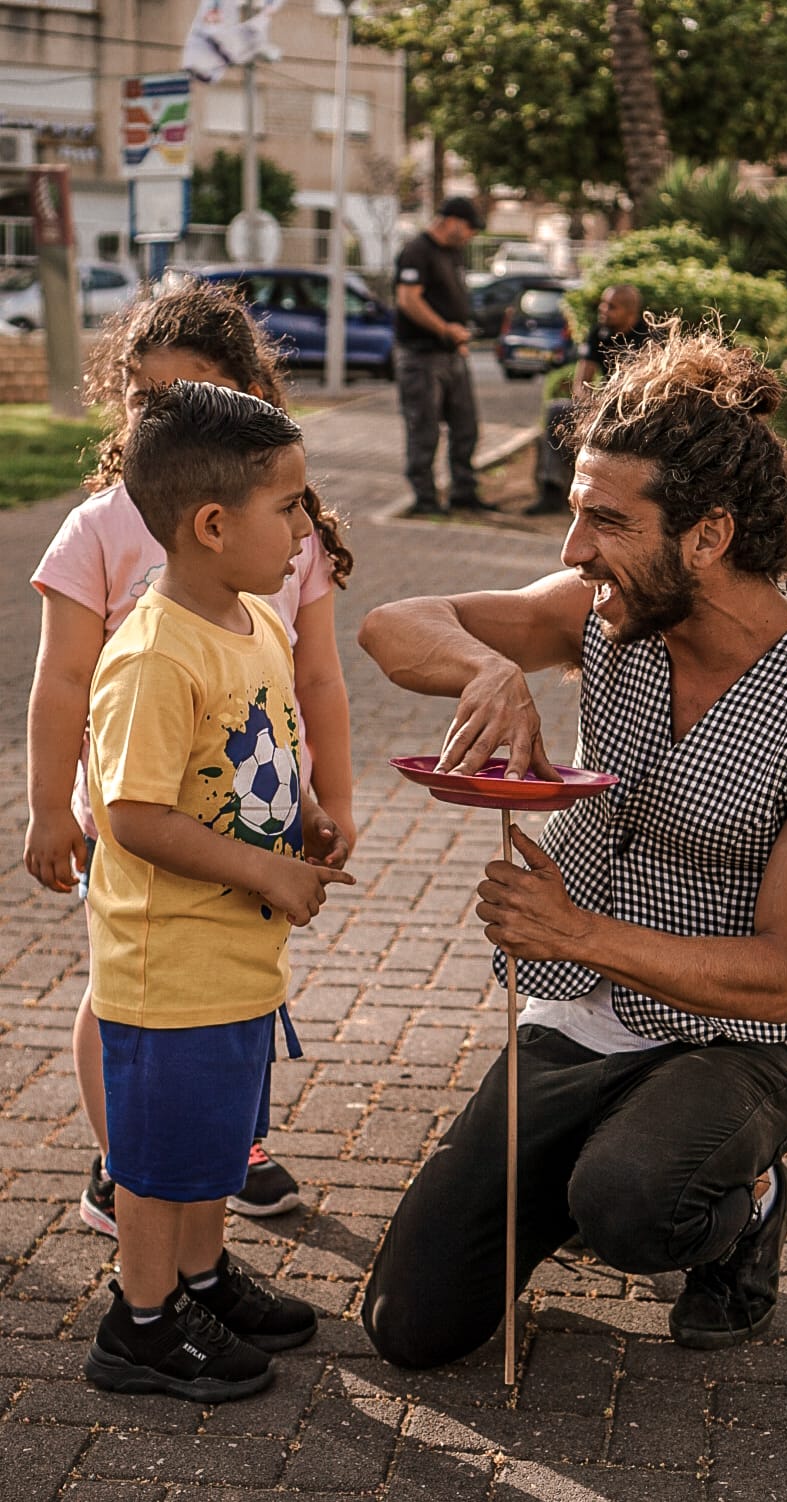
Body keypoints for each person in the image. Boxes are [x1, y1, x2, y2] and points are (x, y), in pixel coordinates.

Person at [357, 322, 787, 1369]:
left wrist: (574, 928)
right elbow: (395, 619)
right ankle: (603, 1157)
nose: (574, 554)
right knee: (410, 1325)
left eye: (605, 522)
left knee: (627, 1199)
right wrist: (482, 670)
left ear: (706, 535)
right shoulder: (608, 611)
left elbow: (778, 975)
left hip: (739, 1040)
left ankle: (743, 1206)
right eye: (574, 516)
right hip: (579, 1016)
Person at [24, 283, 355, 1237]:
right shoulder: (95, 530)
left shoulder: (282, 532)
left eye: (181, 397)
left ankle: (219, 1151)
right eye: (141, 397)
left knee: (229, 989)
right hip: (142, 815)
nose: (151, 418)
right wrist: (50, 807)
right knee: (130, 994)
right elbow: (60, 682)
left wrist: (324, 797)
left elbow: (318, 681)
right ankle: (123, 1161)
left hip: (246, 815)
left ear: (246, 399)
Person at [82, 380, 355, 1401]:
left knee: (214, 1147)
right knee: (157, 1162)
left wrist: (311, 819)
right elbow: (135, 815)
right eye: (288, 506)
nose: (306, 526)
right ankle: (140, 1321)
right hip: (170, 966)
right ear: (209, 523)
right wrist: (267, 868)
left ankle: (199, 1277)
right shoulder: (154, 655)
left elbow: (262, 769)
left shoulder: (254, 624)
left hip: (238, 961)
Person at [394, 196, 493, 518]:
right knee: (424, 429)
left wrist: (456, 336)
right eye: (468, 228)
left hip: (451, 354)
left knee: (466, 427)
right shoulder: (416, 252)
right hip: (421, 356)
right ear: (450, 220)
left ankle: (463, 492)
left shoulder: (452, 253)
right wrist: (444, 329)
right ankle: (425, 498)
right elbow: (408, 300)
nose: (469, 236)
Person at [530, 283, 648, 515]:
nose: (603, 310)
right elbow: (581, 382)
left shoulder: (648, 337)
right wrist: (591, 405)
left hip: (638, 410)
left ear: (630, 312)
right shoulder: (599, 332)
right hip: (602, 406)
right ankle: (552, 490)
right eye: (602, 304)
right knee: (557, 412)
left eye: (611, 306)